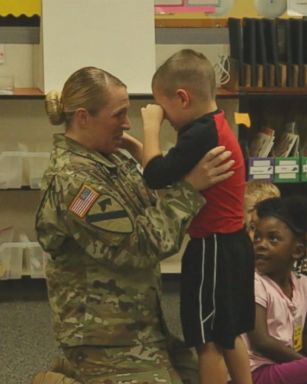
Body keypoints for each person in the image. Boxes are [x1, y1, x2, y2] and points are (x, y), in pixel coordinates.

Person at [33, 66, 235, 384]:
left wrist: (147, 158)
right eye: (118, 115)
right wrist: (188, 189)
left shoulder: (112, 159)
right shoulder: (75, 183)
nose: (127, 124)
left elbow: (152, 206)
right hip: (104, 337)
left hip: (142, 324)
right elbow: (141, 247)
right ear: (83, 117)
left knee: (207, 376)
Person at [141, 49, 254, 384]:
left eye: (165, 109)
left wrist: (150, 127)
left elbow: (155, 175)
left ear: (182, 97)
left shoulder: (198, 134)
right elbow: (172, 170)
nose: (165, 117)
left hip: (212, 248)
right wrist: (141, 148)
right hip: (234, 244)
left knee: (206, 342)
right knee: (228, 333)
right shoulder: (215, 123)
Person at [244, 196, 307, 384]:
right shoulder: (254, 282)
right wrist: (302, 365)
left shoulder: (302, 284)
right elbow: (261, 341)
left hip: (287, 366)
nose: (261, 245)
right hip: (257, 371)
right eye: (257, 238)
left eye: (273, 238)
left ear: (297, 251)